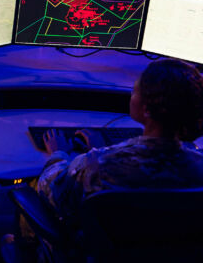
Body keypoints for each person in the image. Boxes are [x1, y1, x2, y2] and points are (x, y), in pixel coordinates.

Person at [37, 59, 203, 235]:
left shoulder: (99, 165)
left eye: (134, 91)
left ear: (146, 109)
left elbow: (54, 193)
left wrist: (58, 153)